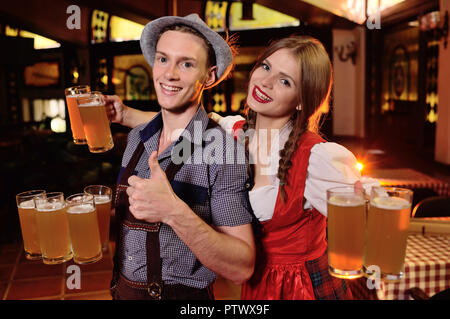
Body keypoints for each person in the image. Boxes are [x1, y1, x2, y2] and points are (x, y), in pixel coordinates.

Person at [107, 35, 378, 300]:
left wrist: (372, 202)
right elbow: (181, 126)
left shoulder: (317, 157)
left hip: (302, 286)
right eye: (266, 67)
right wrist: (124, 114)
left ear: (301, 101)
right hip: (257, 284)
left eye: (285, 81)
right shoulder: (233, 131)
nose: (266, 82)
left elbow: (369, 209)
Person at [109, 14, 256, 300]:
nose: (169, 74)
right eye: (163, 59)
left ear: (209, 76)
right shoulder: (138, 138)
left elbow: (242, 266)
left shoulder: (221, 150)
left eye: (186, 64)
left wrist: (174, 212)